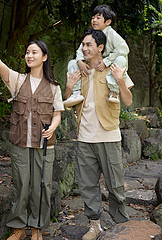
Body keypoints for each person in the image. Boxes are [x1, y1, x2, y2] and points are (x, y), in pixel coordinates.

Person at [0, 33, 64, 240]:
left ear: (44, 57)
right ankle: (18, 227)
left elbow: (57, 114)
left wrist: (53, 128)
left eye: (34, 52)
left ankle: (37, 227)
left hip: (44, 145)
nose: (29, 56)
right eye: (27, 52)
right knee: (21, 185)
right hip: (20, 143)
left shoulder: (54, 87)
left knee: (42, 187)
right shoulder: (18, 80)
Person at [65, 28, 133, 240]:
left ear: (100, 47)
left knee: (115, 185)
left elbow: (129, 100)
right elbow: (67, 100)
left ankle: (121, 225)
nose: (84, 49)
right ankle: (94, 225)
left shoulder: (114, 67)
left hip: (109, 136)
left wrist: (120, 81)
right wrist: (68, 87)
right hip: (84, 137)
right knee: (87, 185)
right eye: (83, 45)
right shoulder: (79, 70)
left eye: (89, 45)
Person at [63, 5, 130, 107]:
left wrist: (106, 62)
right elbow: (80, 51)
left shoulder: (111, 34)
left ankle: (114, 91)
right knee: (73, 62)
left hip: (111, 64)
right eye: (93, 17)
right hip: (94, 65)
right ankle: (76, 93)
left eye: (98, 18)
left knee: (121, 58)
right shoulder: (91, 35)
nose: (94, 20)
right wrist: (80, 61)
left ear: (107, 22)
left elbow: (124, 49)